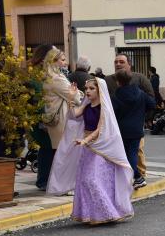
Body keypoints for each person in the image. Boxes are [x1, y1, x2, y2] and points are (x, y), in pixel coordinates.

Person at [47, 78, 134, 224]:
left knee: (92, 180)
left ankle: (109, 213)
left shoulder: (103, 108)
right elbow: (73, 115)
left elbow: (101, 128)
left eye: (91, 88)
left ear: (99, 90)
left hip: (100, 149)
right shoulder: (87, 106)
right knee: (83, 181)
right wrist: (70, 97)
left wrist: (86, 140)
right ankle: (92, 215)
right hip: (87, 149)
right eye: (86, 88)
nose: (87, 91)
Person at [105, 54, 155, 178]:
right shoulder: (107, 80)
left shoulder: (140, 78)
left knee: (137, 152)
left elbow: (151, 98)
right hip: (114, 126)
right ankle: (127, 177)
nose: (118, 64)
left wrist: (144, 117)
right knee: (120, 153)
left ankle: (139, 175)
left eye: (121, 62)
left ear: (129, 64)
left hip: (136, 122)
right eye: (116, 62)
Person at [112, 69, 156, 188]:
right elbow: (152, 104)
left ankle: (137, 177)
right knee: (131, 154)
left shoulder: (116, 95)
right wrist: (142, 114)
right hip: (136, 129)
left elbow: (113, 112)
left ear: (118, 82)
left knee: (126, 155)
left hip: (121, 130)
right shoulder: (140, 93)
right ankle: (137, 178)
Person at [41, 48, 83, 155]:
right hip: (62, 121)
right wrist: (77, 92)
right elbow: (76, 97)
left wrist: (74, 92)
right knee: (64, 157)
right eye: (63, 60)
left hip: (55, 119)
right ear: (54, 61)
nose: (66, 63)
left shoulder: (48, 76)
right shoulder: (57, 78)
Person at [28, 44, 56, 191]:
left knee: (50, 148)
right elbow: (37, 97)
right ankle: (43, 180)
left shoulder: (46, 72)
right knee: (47, 147)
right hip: (41, 119)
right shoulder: (35, 75)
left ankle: (46, 180)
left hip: (46, 117)